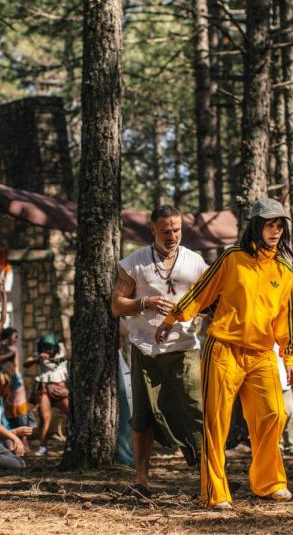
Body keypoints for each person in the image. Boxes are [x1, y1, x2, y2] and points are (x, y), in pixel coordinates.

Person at [155, 198, 293, 510]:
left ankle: (269, 482)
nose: (275, 231)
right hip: (223, 350)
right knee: (216, 422)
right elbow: (201, 290)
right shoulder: (232, 258)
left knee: (275, 413)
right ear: (255, 226)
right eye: (269, 224)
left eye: (279, 225)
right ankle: (216, 493)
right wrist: (172, 319)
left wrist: (288, 358)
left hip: (261, 353)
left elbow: (287, 318)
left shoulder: (284, 270)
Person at [111, 205, 207, 497]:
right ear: (153, 230)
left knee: (195, 412)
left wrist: (198, 318)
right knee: (142, 417)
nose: (172, 235)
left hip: (184, 348)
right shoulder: (135, 263)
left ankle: (210, 479)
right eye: (165, 230)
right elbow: (116, 305)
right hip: (145, 349)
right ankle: (142, 482)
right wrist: (145, 302)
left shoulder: (195, 262)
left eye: (177, 229)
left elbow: (207, 300)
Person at [24, 333, 69, 456]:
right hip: (44, 387)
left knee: (73, 413)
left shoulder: (62, 349)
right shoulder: (39, 354)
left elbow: (68, 355)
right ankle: (43, 447)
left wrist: (58, 358)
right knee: (45, 419)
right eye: (44, 348)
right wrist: (38, 358)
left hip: (60, 388)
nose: (47, 350)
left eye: (49, 348)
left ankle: (72, 443)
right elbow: (26, 364)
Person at [0, 327, 31, 428]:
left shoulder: (12, 350)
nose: (16, 338)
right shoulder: (1, 347)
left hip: (15, 380)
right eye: (15, 336)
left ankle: (22, 432)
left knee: (18, 407)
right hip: (6, 380)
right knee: (7, 406)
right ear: (9, 336)